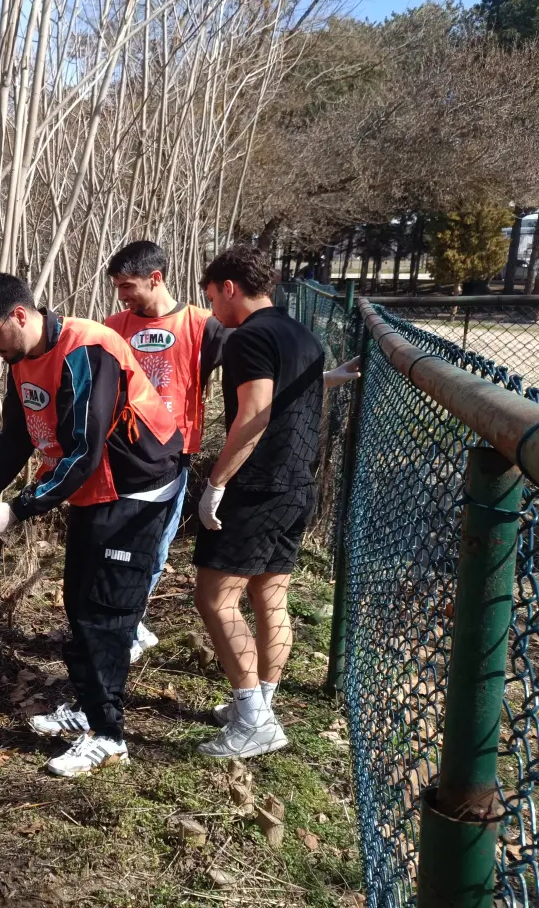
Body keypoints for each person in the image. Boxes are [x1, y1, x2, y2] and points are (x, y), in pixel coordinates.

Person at [0, 273, 184, 777]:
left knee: (106, 611)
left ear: (19, 315)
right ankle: (91, 708)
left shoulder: (86, 351)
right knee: (79, 600)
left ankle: (109, 735)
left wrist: (15, 510)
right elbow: (16, 441)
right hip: (93, 487)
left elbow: (84, 452)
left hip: (136, 485)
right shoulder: (22, 360)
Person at [192, 246, 357, 759]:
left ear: (229, 288)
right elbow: (291, 391)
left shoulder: (248, 338)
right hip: (297, 485)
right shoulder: (299, 333)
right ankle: (260, 704)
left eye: (211, 297)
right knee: (270, 598)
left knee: (215, 599)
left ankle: (253, 721)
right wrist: (330, 378)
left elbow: (255, 413)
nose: (212, 308)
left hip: (258, 486)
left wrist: (216, 483)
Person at [104, 241, 226, 662]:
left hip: (171, 457)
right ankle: (119, 621)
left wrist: (320, 377)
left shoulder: (202, 325)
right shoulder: (113, 327)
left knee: (154, 546)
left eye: (128, 286)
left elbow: (256, 370)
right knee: (112, 545)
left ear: (156, 278)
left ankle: (129, 623)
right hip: (119, 455)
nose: (122, 295)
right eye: (118, 287)